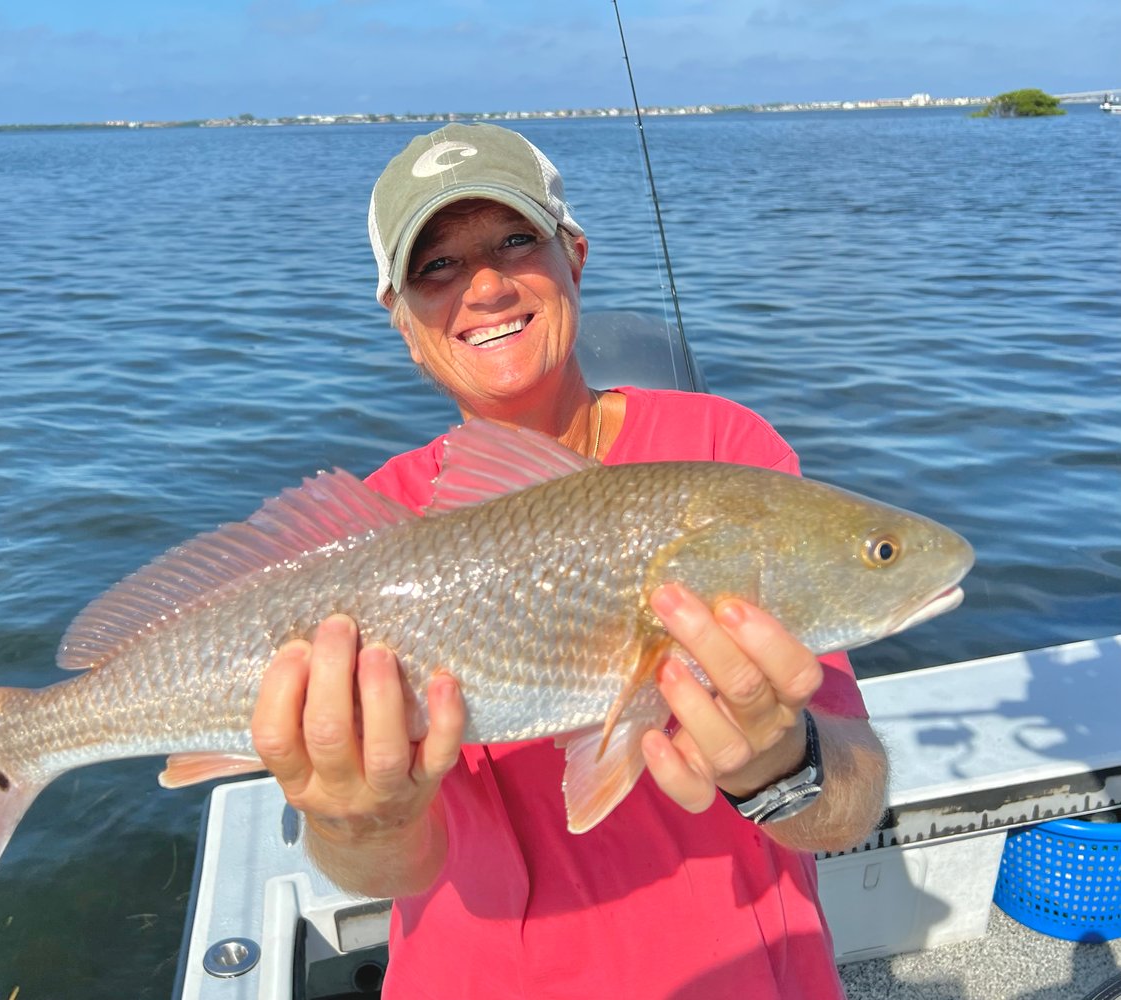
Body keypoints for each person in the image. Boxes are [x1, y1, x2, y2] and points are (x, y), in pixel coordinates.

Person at [250, 123, 888, 999]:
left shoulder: (725, 456)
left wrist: (783, 766)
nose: (482, 285)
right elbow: (381, 874)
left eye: (515, 240)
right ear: (401, 319)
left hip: (745, 975)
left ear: (573, 257)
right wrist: (360, 819)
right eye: (434, 267)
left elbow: (848, 809)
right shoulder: (366, 540)